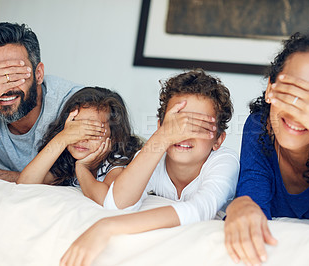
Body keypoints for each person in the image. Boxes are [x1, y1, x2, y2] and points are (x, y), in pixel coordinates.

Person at [59, 69, 240, 265]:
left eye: (199, 126)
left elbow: (198, 210)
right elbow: (116, 203)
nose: (183, 134)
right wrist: (163, 137)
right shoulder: (154, 155)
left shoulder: (225, 161)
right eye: (177, 123)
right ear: (160, 126)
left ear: (218, 140)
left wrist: (107, 226)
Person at [224, 29, 309, 265]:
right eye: (292, 90)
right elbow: (254, 201)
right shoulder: (259, 127)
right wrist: (242, 204)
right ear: (270, 88)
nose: (300, 112)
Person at [0, 22, 83, 182]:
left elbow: (68, 179)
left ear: (39, 74)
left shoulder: (74, 104)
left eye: (15, 73)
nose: (5, 88)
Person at [17, 87, 143, 205]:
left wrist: (82, 168)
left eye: (93, 132)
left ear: (114, 137)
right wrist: (62, 138)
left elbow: (106, 198)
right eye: (75, 129)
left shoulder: (117, 160)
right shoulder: (67, 159)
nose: (82, 139)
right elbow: (25, 184)